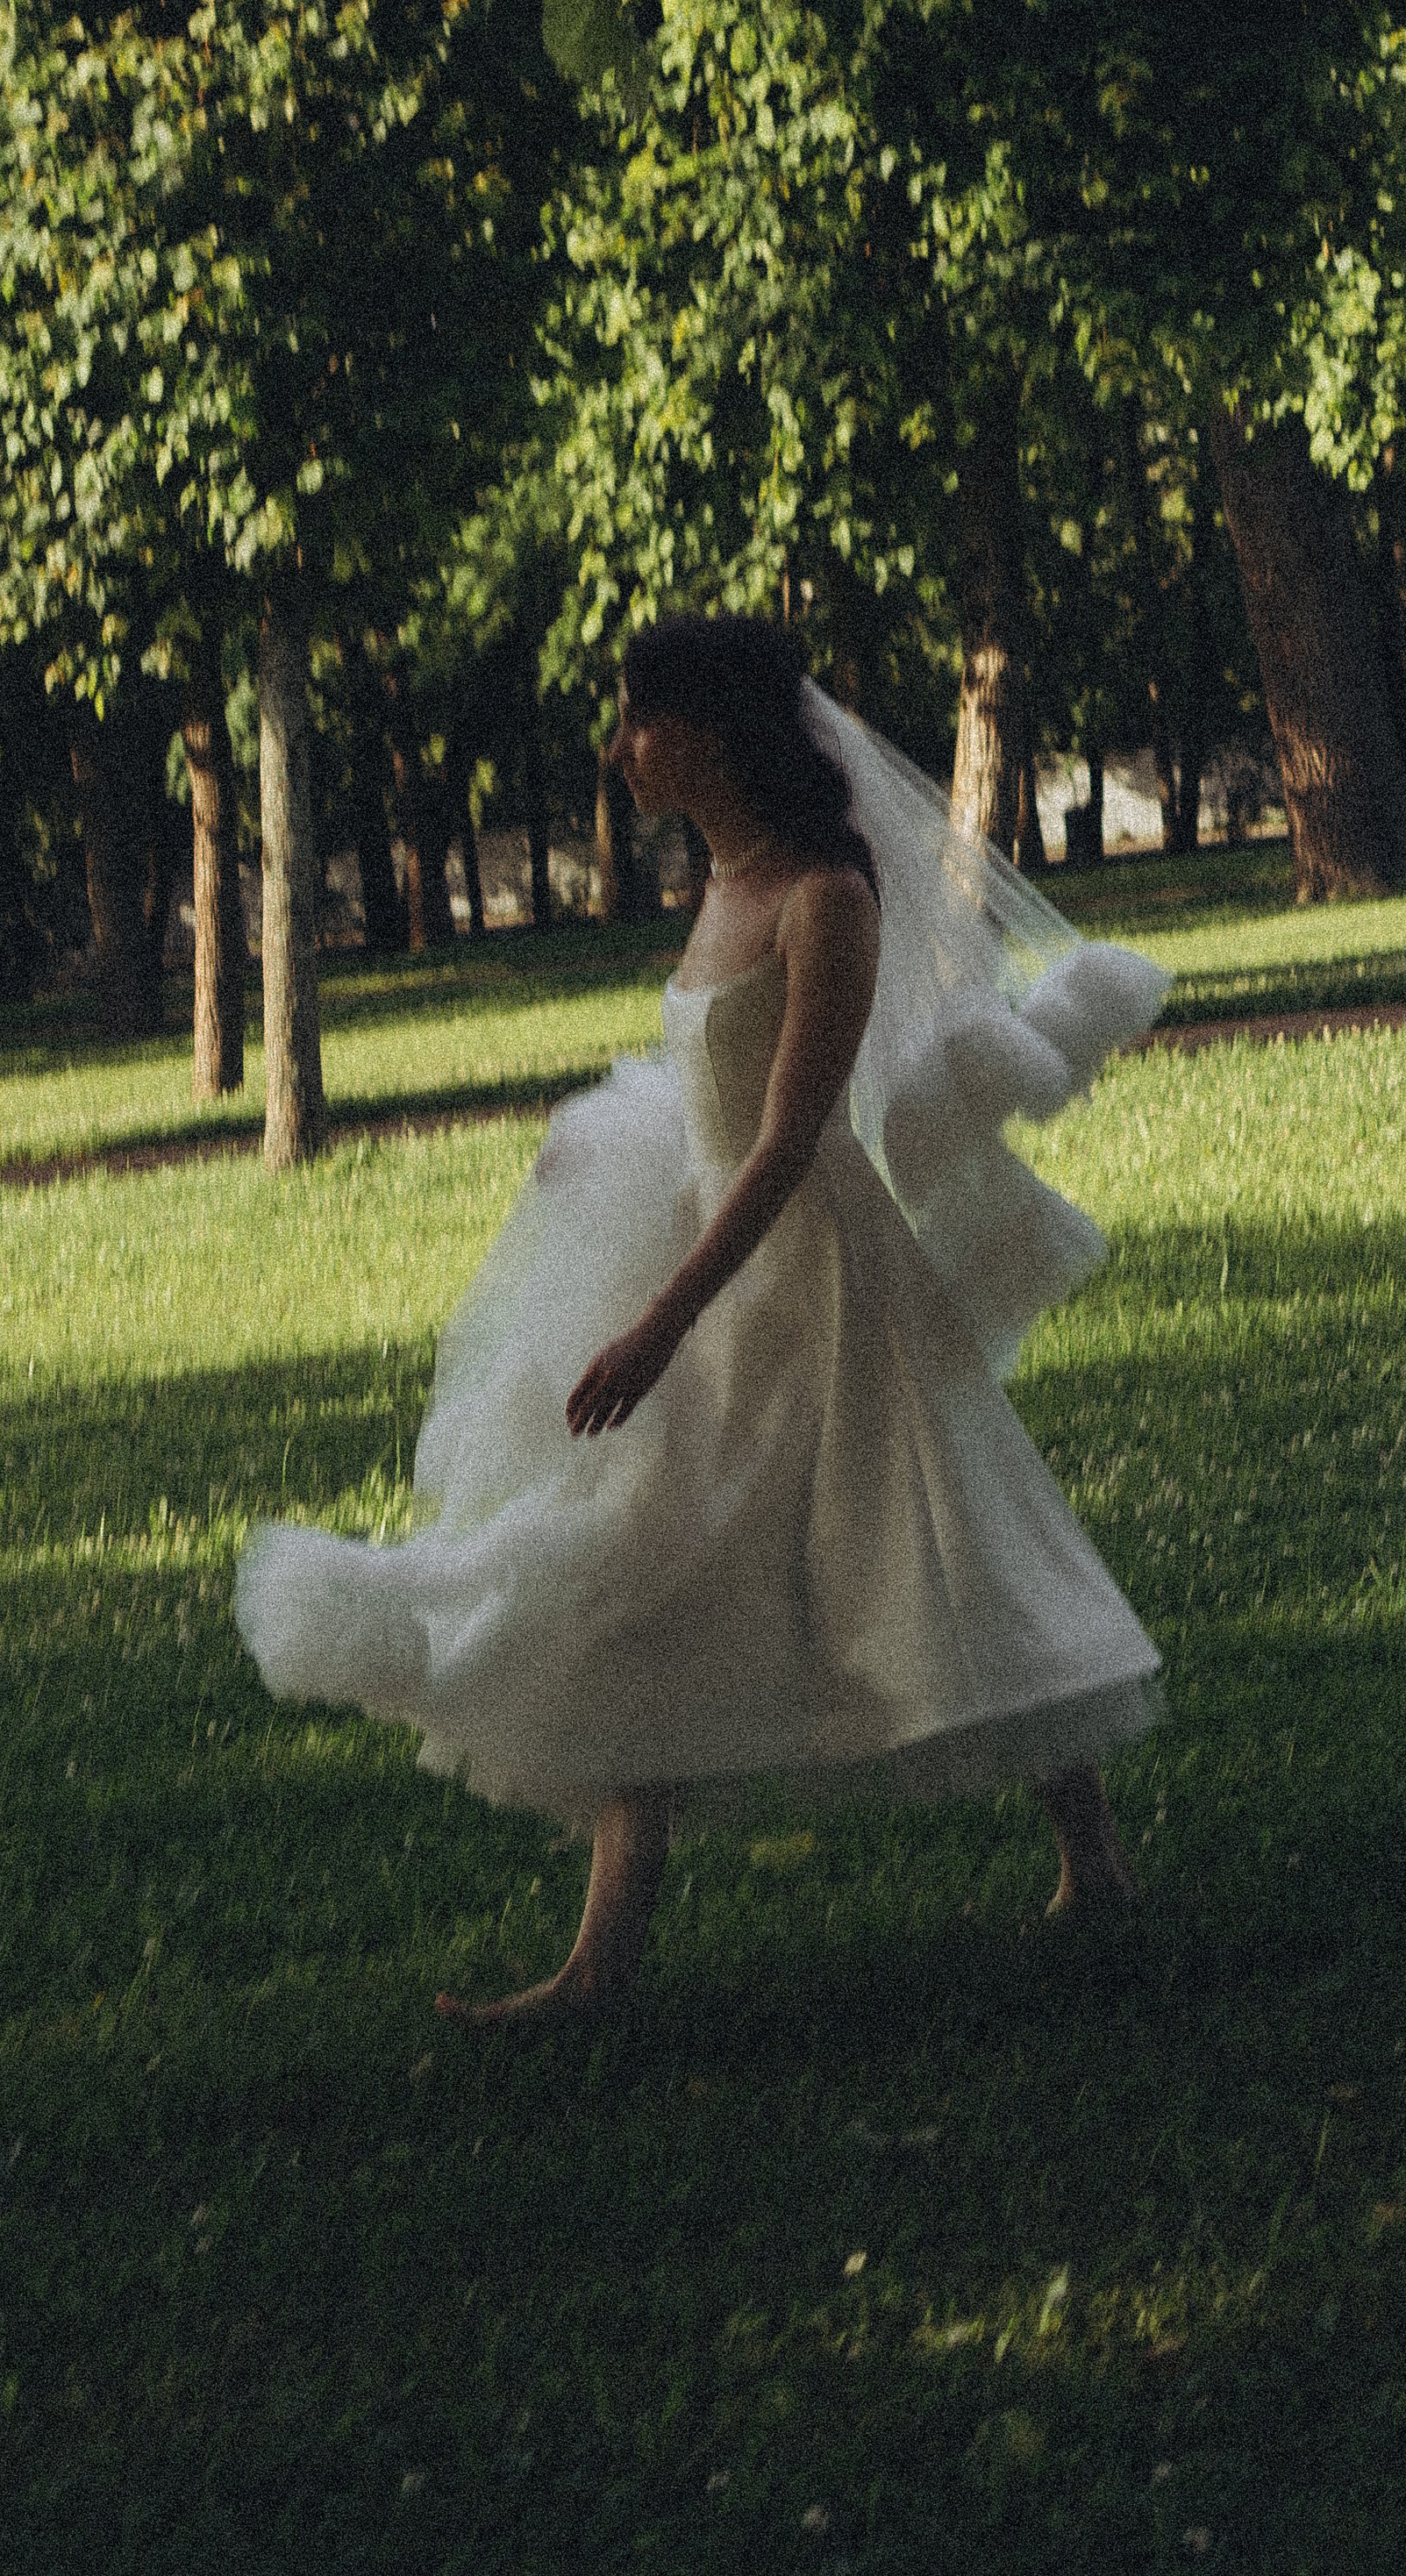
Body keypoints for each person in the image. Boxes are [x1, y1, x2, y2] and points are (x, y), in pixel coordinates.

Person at [235, 615, 1167, 2023]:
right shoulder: (727, 881)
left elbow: (793, 1136)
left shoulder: (825, 895)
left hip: (816, 1281)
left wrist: (664, 1321)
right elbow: (710, 1089)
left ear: (715, 729)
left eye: (640, 719)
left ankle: (1093, 1863)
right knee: (649, 1567)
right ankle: (602, 1962)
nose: (620, 747)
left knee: (938, 1546)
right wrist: (607, 1151)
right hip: (709, 1253)